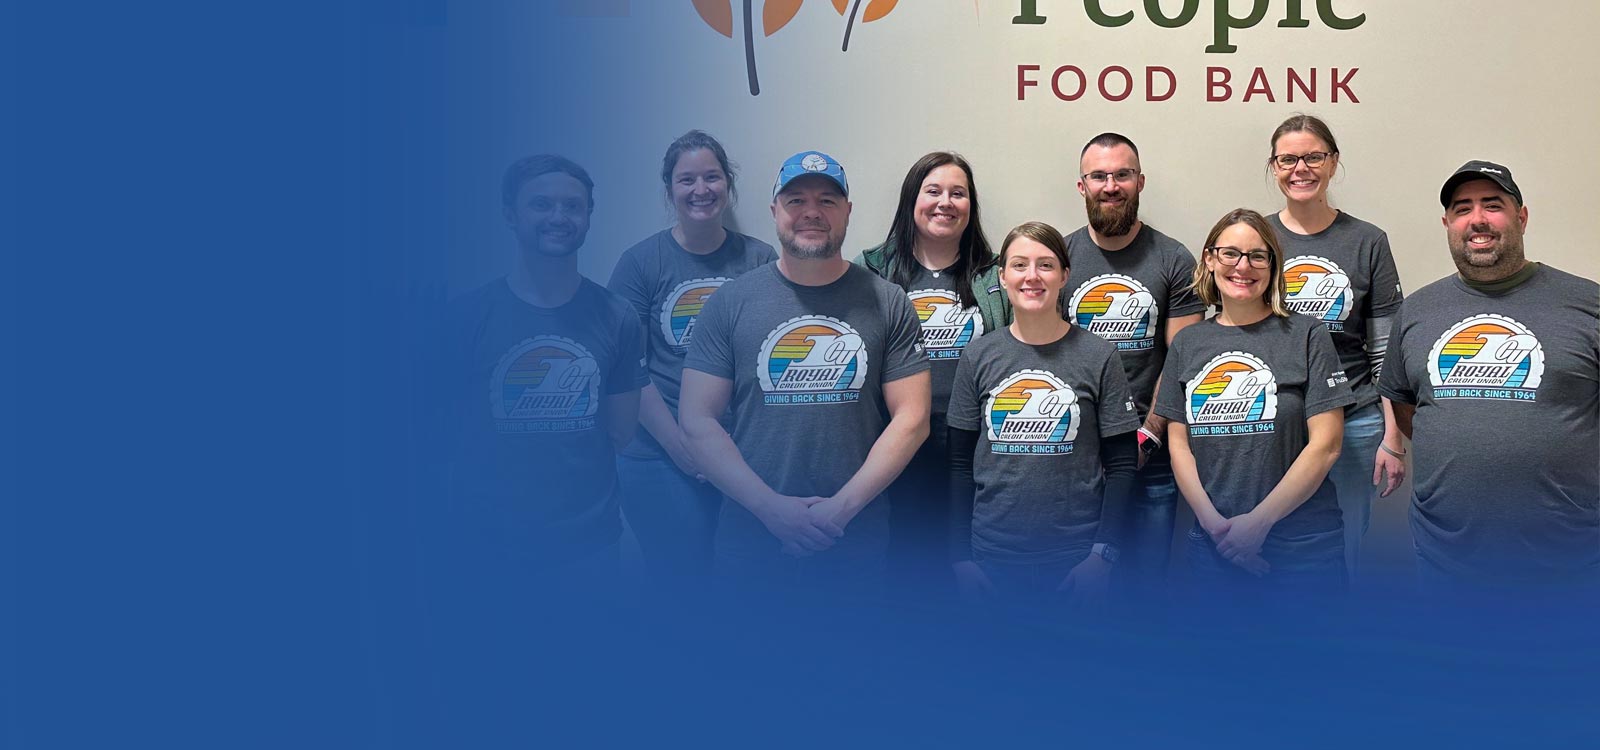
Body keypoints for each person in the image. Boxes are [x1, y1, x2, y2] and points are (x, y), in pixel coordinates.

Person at [678, 151, 931, 598]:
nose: (812, 212)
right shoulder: (730, 304)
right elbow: (697, 419)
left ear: (848, 212)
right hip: (751, 546)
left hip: (854, 544)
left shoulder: (889, 302)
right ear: (774, 210)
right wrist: (769, 509)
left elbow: (913, 419)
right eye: (796, 200)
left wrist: (839, 511)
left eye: (828, 201)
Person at [1378, 161, 1600, 595]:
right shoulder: (1418, 311)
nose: (1476, 219)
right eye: (1462, 208)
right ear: (1447, 223)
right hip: (1446, 562)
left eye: (1492, 205)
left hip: (1569, 561)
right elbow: (1408, 410)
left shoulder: (1586, 304)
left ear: (1521, 216)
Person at [446, 154, 646, 581]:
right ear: (510, 215)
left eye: (572, 206)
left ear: (588, 217)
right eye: (541, 204)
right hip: (485, 550)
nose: (559, 216)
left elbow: (621, 431)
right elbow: (440, 433)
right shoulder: (462, 318)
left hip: (589, 549)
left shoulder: (619, 316)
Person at [1155, 209, 1354, 599]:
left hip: (1303, 549)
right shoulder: (1188, 343)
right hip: (1214, 545)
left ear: (1272, 265)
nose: (1242, 266)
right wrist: (1215, 526)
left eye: (1257, 256)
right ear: (1210, 260)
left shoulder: (1308, 334)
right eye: (1230, 253)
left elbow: (1326, 445)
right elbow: (1179, 446)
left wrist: (1257, 525)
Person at [608, 131, 776, 586]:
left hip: (742, 451)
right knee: (681, 583)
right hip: (658, 455)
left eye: (711, 177)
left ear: (728, 185)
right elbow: (626, 369)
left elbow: (767, 361)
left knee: (745, 580)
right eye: (687, 180)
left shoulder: (760, 258)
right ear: (669, 190)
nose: (700, 190)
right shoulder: (640, 263)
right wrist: (681, 446)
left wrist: (727, 446)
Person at [947, 221, 1140, 608]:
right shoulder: (978, 356)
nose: (1032, 276)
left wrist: (1102, 556)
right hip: (991, 559)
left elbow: (1122, 464)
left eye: (1045, 265)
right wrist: (959, 559)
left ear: (1065, 275)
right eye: (1019, 265)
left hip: (1075, 561)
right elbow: (958, 464)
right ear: (1002, 277)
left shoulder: (1099, 355)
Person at [856, 151, 1010, 598]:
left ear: (971, 206)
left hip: (975, 445)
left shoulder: (996, 274)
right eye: (934, 191)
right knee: (905, 564)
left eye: (958, 193)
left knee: (970, 565)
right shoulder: (873, 272)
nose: (946, 202)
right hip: (896, 442)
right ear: (911, 201)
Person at [1057, 132, 1204, 592]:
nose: (1111, 185)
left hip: (1149, 451)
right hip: (1072, 452)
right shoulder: (1058, 259)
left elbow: (1181, 361)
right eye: (1099, 176)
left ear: (1140, 182)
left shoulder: (1174, 258)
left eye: (1122, 174)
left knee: (1145, 588)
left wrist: (1150, 433)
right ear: (1082, 186)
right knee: (1074, 586)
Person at [1261, 114, 1407, 577]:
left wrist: (1394, 437)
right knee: (1266, 538)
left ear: (1333, 162)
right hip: (1275, 418)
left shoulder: (1367, 241)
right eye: (1288, 159)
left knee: (1345, 548)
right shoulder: (1255, 239)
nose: (1300, 168)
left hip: (1355, 420)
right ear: (1274, 166)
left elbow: (1385, 352)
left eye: (1313, 157)